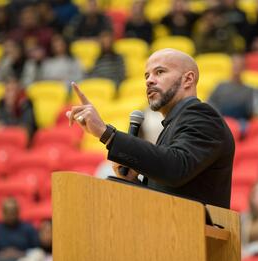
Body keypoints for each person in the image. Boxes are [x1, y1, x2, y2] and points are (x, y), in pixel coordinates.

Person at [67, 48, 235, 208]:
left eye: (160, 72)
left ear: (188, 79)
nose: (149, 80)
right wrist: (136, 183)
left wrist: (107, 134)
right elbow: (174, 192)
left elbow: (175, 168)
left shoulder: (202, 115)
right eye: (147, 75)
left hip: (197, 235)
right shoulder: (173, 124)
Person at [0, 197, 39, 261]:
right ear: (2, 212)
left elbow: (37, 250)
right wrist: (0, 254)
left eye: (13, 212)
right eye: (7, 212)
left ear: (18, 212)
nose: (10, 215)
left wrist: (19, 253)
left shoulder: (28, 228)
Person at [206, 54, 254, 122]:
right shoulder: (220, 86)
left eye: (240, 64)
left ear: (244, 67)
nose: (237, 66)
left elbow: (250, 111)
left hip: (240, 123)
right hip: (220, 120)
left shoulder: (249, 90)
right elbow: (210, 103)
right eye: (235, 63)